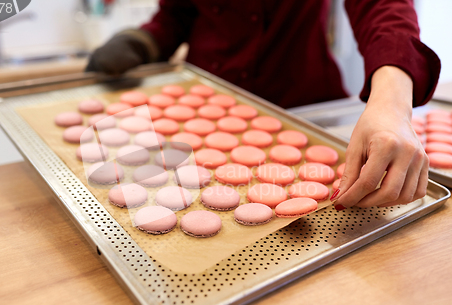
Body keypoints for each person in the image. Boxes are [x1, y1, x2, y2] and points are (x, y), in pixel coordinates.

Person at [86, 0, 441, 210]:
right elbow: (177, 14)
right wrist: (142, 41)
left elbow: (383, 7)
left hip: (302, 110)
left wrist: (392, 102)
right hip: (205, 110)